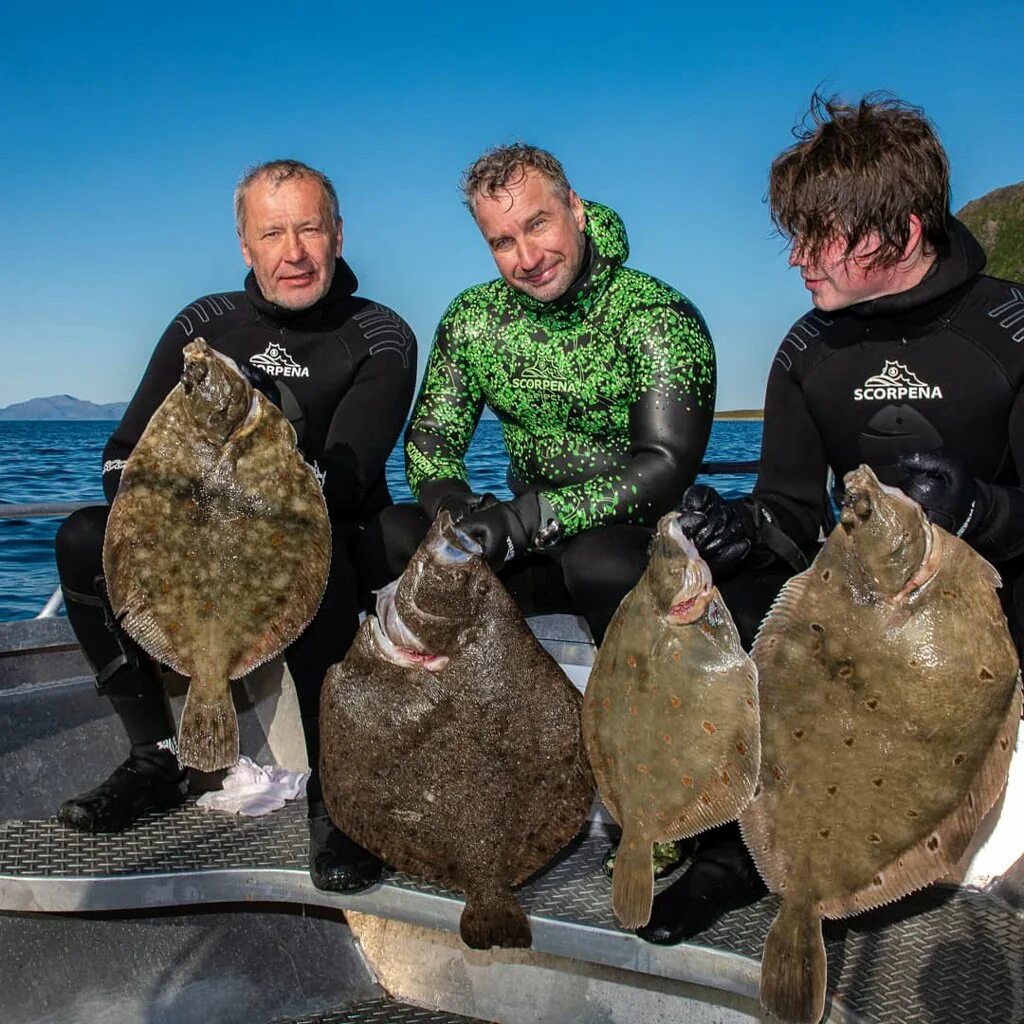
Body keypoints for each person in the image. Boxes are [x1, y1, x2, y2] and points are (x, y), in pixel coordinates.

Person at [639, 92, 1024, 946]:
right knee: (718, 609)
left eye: (818, 236)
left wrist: (976, 507)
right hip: (860, 595)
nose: (795, 261)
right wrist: (741, 532)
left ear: (902, 232)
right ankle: (737, 850)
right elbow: (787, 513)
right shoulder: (809, 348)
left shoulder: (1009, 332)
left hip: (991, 591)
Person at [54, 159, 417, 894]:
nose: (294, 251)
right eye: (272, 233)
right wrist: (161, 530)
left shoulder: (381, 334)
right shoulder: (201, 325)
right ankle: (156, 757)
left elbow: (347, 476)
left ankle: (336, 794)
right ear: (245, 246)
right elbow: (125, 454)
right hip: (197, 532)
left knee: (326, 561)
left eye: (310, 228)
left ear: (339, 235)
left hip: (321, 529)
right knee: (82, 538)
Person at [374, 143, 716, 646]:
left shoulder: (655, 313)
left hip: (635, 537)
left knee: (596, 560)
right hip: (528, 536)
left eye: (538, 224)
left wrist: (528, 518)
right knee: (395, 530)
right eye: (503, 242)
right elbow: (431, 440)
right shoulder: (474, 319)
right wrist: (453, 501)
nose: (528, 258)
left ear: (575, 208)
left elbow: (665, 465)